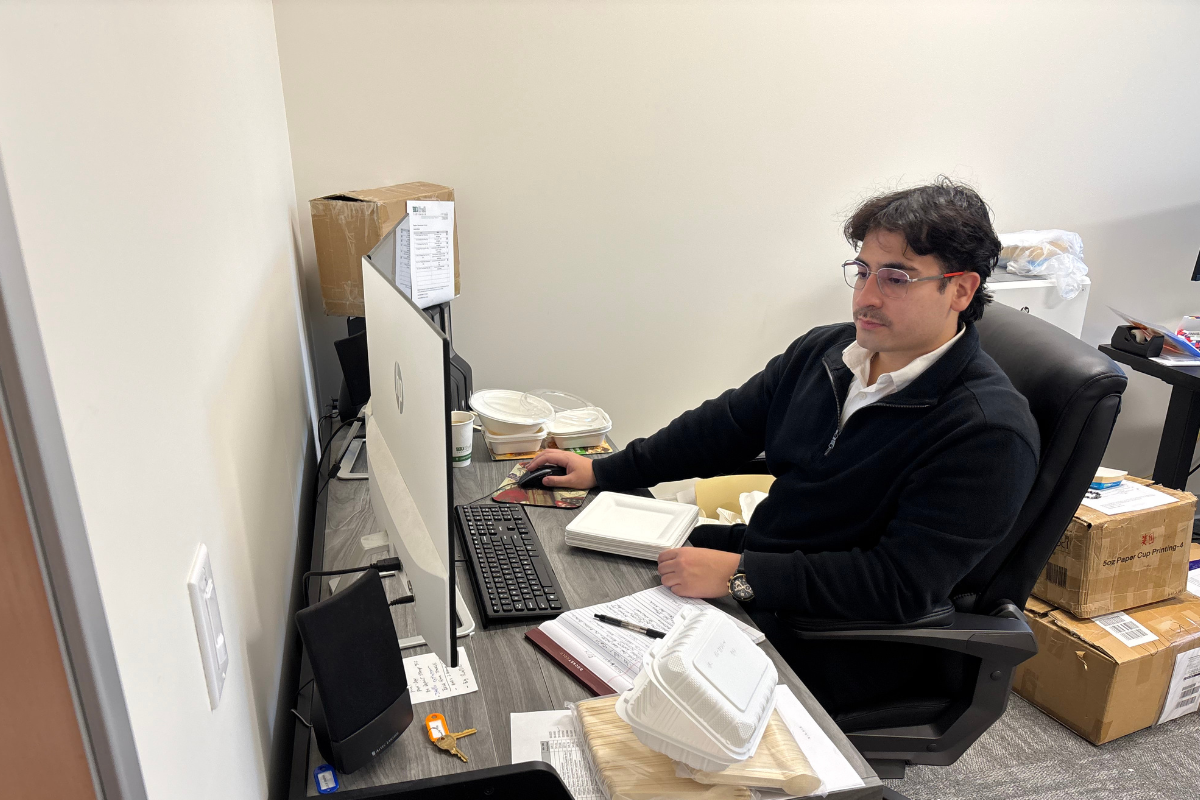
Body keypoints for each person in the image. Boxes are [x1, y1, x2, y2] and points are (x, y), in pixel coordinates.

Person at [525, 179, 1040, 716]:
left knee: (587, 700)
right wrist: (603, 469)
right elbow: (723, 426)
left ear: (960, 290)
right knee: (572, 590)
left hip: (841, 640)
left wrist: (739, 575)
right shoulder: (829, 351)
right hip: (769, 574)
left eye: (896, 278)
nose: (866, 296)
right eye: (862, 271)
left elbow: (899, 585)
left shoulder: (987, 433)